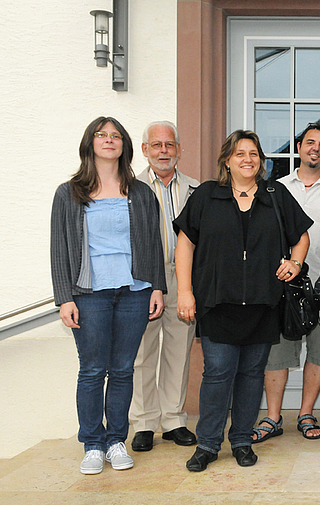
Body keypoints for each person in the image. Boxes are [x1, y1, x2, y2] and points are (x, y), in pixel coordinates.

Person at [174, 130, 312, 472]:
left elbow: (302, 237)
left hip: (264, 304)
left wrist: (294, 264)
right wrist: (185, 292)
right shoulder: (207, 195)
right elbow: (185, 244)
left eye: (253, 153)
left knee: (252, 375)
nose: (247, 159)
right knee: (218, 373)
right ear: (226, 160)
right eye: (239, 154)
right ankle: (207, 444)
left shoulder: (275, 194)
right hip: (218, 303)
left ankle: (240, 441)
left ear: (261, 161)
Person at [50, 116, 166, 475]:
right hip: (88, 295)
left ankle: (116, 440)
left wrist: (157, 286)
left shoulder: (142, 192)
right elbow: (58, 248)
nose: (109, 140)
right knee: (91, 370)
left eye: (116, 136)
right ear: (90, 143)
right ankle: (92, 443)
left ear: (125, 146)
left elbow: (153, 243)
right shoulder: (69, 193)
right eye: (102, 135)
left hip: (134, 291)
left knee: (121, 370)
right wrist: (64, 297)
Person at [256, 123, 320, 443]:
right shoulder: (273, 189)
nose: (315, 149)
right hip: (283, 286)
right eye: (310, 143)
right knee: (277, 353)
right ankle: (273, 417)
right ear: (298, 147)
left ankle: (306, 413)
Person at [130, 121, 200, 452]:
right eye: (156, 145)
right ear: (145, 150)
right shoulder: (130, 188)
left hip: (184, 278)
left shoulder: (196, 189)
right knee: (142, 352)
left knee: (178, 350)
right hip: (143, 279)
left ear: (179, 150)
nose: (163, 151)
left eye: (169, 145)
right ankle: (143, 422)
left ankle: (173, 419)